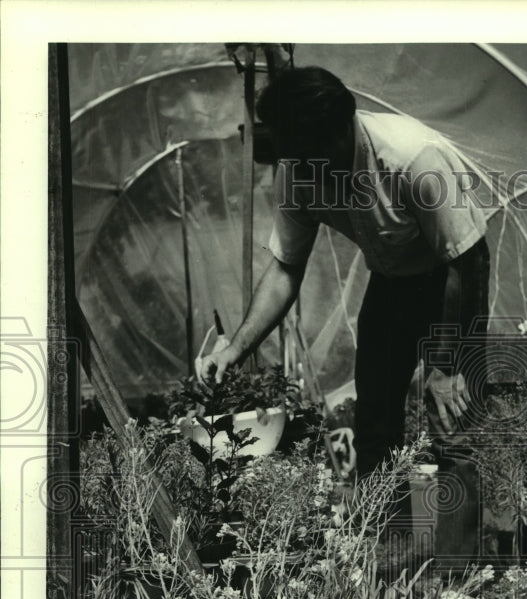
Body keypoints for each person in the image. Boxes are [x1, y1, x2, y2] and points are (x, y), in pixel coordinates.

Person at [196, 66, 490, 566]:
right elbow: (286, 267)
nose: (298, 168)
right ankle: (391, 551)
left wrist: (445, 365)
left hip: (450, 284)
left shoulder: (412, 158)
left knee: (451, 421)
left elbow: (469, 262)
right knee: (375, 418)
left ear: (339, 133)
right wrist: (233, 347)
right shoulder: (300, 167)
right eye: (292, 156)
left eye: (307, 156)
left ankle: (461, 568)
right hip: (392, 282)